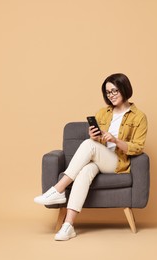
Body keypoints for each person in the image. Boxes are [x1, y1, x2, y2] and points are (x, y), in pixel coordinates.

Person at [34, 73, 148, 241]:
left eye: (115, 90)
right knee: (85, 170)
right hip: (99, 158)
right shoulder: (103, 113)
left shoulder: (139, 117)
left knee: (88, 145)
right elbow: (96, 142)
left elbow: (137, 147)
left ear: (124, 89)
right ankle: (68, 226)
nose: (112, 95)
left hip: (117, 162)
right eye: (108, 92)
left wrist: (115, 140)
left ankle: (58, 189)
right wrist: (94, 136)